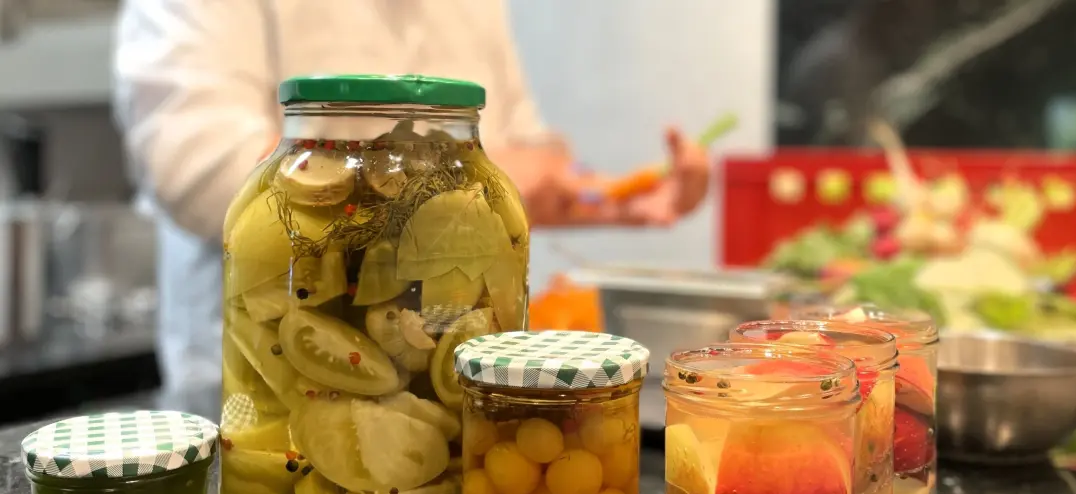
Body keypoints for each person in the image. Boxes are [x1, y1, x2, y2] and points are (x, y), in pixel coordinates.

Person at [113, 0, 711, 391]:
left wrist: (615, 198)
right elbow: (193, 164)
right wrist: (453, 178)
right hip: (277, 385)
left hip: (448, 382)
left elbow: (519, 163)